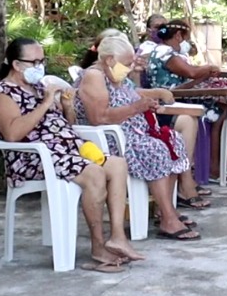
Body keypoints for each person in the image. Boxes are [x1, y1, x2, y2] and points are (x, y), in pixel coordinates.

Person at [0, 38, 143, 270]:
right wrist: (45, 103)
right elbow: (13, 134)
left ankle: (117, 238)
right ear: (16, 64)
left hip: (67, 151)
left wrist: (67, 107)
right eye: (34, 62)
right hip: (34, 158)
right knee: (94, 173)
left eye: (42, 61)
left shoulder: (39, 87)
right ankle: (98, 247)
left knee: (117, 165)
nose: (40, 67)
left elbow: (64, 125)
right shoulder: (2, 94)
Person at [74, 36, 204, 238]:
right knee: (155, 149)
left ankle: (165, 209)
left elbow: (132, 97)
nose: (129, 68)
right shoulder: (94, 76)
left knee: (174, 141)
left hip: (132, 133)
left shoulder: (113, 75)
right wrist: (136, 108)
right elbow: (99, 117)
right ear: (109, 60)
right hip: (110, 140)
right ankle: (168, 219)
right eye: (127, 64)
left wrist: (147, 104)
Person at [146, 19, 227, 179]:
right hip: (170, 102)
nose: (186, 43)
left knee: (223, 107)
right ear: (178, 35)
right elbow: (191, 72)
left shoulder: (166, 52)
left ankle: (223, 162)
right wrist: (209, 67)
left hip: (178, 97)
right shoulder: (165, 53)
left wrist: (205, 73)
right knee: (220, 112)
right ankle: (212, 167)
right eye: (186, 38)